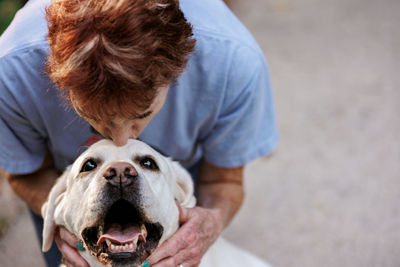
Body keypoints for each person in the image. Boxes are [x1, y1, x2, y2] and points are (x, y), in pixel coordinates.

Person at [0, 0, 279, 266]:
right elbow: (25, 171)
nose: (121, 141)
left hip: (180, 162)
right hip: (63, 179)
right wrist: (62, 217)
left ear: (177, 72)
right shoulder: (10, 71)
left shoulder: (233, 62)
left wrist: (209, 223)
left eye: (141, 115)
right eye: (95, 116)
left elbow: (222, 181)